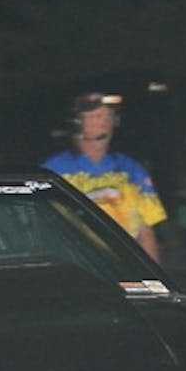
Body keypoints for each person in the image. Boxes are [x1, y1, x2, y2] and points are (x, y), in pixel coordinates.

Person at [42, 92, 166, 262]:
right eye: (94, 116)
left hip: (125, 265)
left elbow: (146, 231)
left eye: (108, 115)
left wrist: (156, 279)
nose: (103, 120)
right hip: (79, 265)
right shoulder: (55, 170)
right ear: (76, 123)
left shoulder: (131, 170)